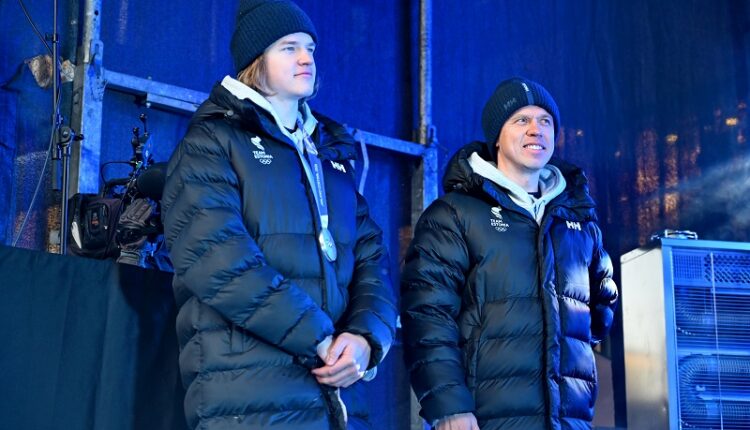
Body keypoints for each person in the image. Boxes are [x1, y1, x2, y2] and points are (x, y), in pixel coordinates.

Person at [161, 1, 397, 429]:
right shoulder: (211, 142)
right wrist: (320, 339)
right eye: (289, 47)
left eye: (310, 48)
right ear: (256, 59)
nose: (306, 58)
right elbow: (219, 263)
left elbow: (372, 261)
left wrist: (365, 339)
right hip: (248, 401)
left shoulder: (330, 154)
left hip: (337, 398)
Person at [400, 77, 619, 430]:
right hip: (484, 420)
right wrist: (449, 407)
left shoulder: (578, 221)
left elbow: (600, 310)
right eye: (521, 120)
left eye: (545, 121)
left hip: (569, 421)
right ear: (497, 138)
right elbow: (427, 315)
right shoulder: (455, 214)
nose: (536, 129)